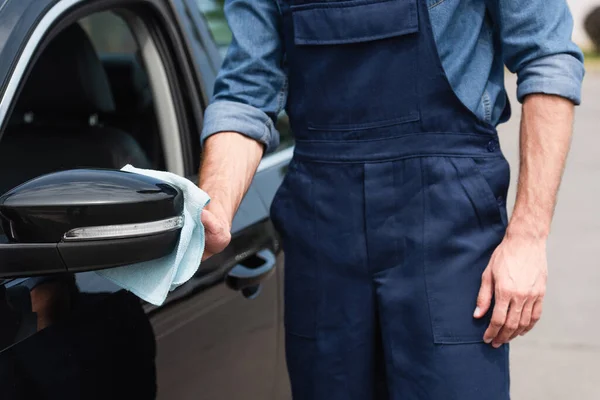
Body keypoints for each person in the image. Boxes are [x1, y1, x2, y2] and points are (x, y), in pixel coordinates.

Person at [198, 0, 584, 398]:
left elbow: (548, 58)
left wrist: (528, 237)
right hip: (324, 237)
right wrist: (218, 208)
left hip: (448, 229)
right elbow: (245, 94)